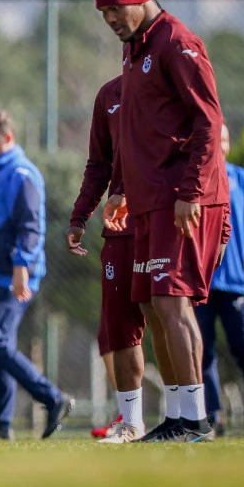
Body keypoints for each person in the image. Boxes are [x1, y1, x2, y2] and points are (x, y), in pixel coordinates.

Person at [97, 0, 230, 443]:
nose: (110, 18)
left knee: (173, 303)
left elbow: (208, 123)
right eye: (103, 12)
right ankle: (177, 417)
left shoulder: (177, 42)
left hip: (184, 200)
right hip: (150, 202)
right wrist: (123, 190)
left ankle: (196, 420)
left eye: (116, 8)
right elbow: (146, 135)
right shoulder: (135, 51)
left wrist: (191, 192)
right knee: (154, 306)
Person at [0, 110, 72, 441]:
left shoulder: (21, 173)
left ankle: (53, 398)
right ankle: (0, 426)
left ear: (7, 137)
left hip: (11, 277)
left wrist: (21, 266)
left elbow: (30, 226)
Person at [67, 76, 152, 443]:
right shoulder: (108, 94)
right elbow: (98, 165)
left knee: (168, 317)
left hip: (160, 223)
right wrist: (79, 217)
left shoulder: (168, 82)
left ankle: (188, 417)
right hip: (119, 229)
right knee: (117, 326)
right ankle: (131, 422)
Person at [197, 123, 244, 434]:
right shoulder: (191, 182)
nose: (220, 146)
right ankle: (213, 416)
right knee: (201, 352)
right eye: (215, 140)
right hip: (198, 285)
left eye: (225, 140)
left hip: (236, 284)